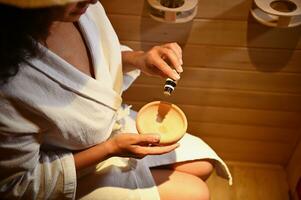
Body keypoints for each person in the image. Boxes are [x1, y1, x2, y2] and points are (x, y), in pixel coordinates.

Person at [0, 0, 232, 199]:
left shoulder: (79, 10)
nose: (92, 1)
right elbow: (16, 185)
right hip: (79, 165)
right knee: (197, 193)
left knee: (203, 164)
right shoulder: (8, 84)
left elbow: (99, 61)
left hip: (112, 130)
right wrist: (110, 149)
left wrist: (140, 59)